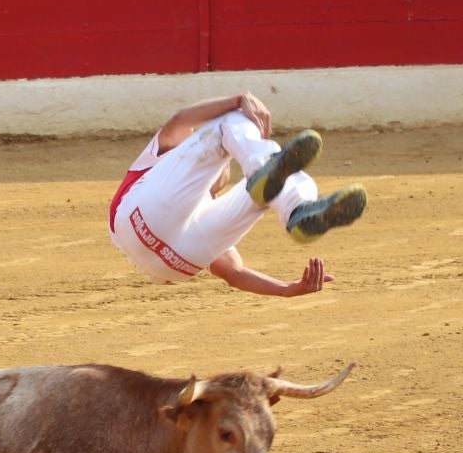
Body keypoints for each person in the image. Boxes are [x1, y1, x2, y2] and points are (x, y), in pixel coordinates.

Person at [107, 92, 367, 298]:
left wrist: (287, 289)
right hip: (166, 253)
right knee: (239, 135)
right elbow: (179, 122)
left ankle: (299, 210)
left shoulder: (198, 201)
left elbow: (234, 272)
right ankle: (280, 189)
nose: (225, 166)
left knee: (268, 169)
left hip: (159, 250)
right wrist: (238, 100)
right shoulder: (176, 174)